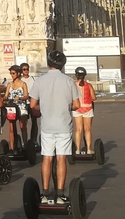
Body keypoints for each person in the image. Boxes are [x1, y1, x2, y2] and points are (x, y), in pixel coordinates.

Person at [29, 50, 80, 206]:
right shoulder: (69, 81)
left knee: (47, 158)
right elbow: (77, 105)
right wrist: (64, 107)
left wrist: (44, 109)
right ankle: (60, 193)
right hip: (63, 125)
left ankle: (44, 194)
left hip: (47, 126)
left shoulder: (39, 81)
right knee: (61, 158)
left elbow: (32, 105)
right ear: (62, 65)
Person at [3, 65, 29, 152]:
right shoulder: (9, 84)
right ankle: (12, 148)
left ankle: (25, 146)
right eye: (11, 73)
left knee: (22, 126)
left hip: (21, 106)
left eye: (13, 73)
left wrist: (20, 98)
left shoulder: (23, 84)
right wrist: (4, 99)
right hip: (12, 107)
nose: (12, 75)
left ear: (18, 73)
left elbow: (26, 96)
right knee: (11, 127)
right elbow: (6, 96)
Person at [20, 63, 40, 142]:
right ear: (21, 71)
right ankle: (25, 141)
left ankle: (33, 140)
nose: (26, 71)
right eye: (24, 69)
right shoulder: (20, 80)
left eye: (27, 69)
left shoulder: (33, 79)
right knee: (23, 123)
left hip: (32, 102)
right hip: (23, 103)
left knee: (34, 122)